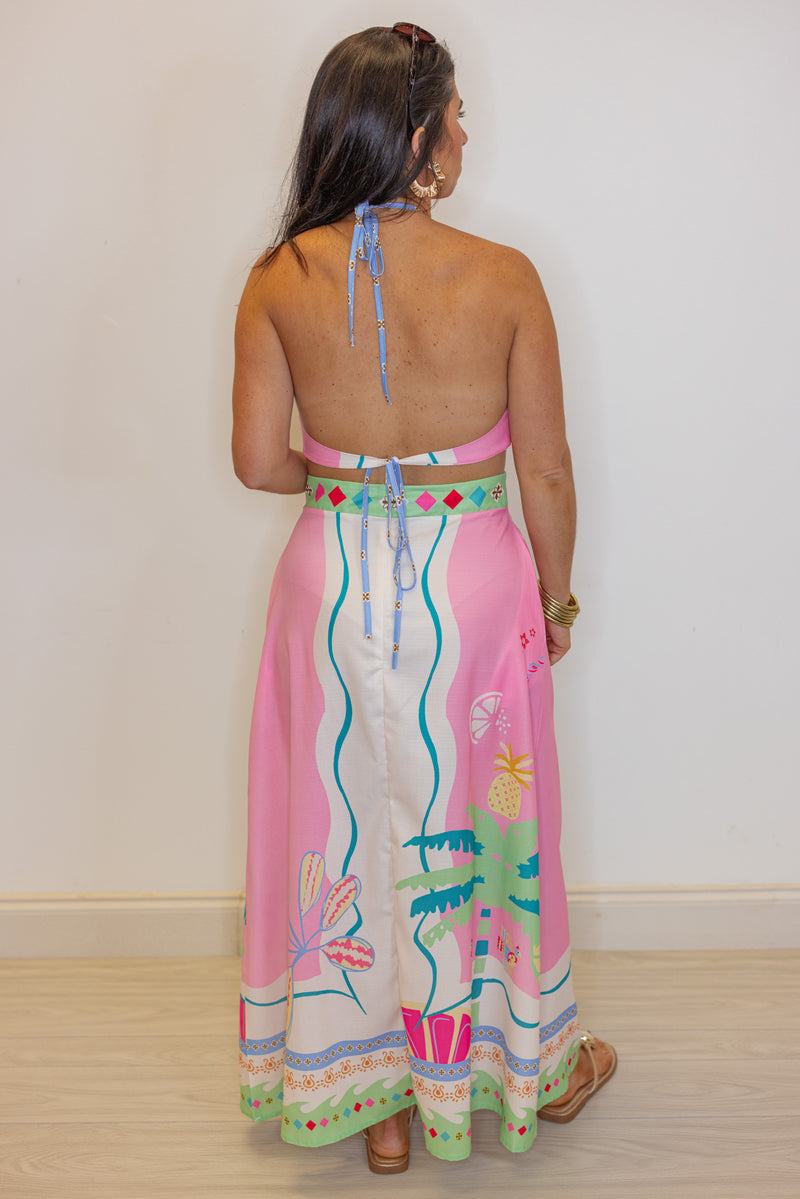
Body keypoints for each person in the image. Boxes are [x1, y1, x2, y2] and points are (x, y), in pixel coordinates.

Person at [233, 23, 616, 1172]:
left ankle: (374, 1099)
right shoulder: (502, 276)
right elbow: (544, 469)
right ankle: (510, 1063)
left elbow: (257, 461)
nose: (464, 132)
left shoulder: (275, 278)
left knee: (340, 814)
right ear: (414, 137)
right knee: (478, 823)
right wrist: (557, 600)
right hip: (471, 581)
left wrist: (352, 483)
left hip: (329, 582)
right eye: (454, 114)